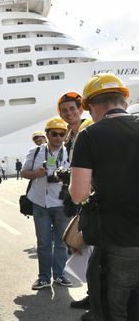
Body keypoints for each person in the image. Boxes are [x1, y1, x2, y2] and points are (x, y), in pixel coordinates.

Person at [71, 73, 139, 321]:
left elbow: (78, 195)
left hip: (116, 239)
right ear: (123, 99)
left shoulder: (89, 136)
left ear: (91, 106)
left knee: (113, 310)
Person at [21, 117, 72, 290]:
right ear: (47, 134)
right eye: (54, 134)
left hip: (62, 203)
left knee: (61, 243)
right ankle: (44, 277)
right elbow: (24, 172)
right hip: (40, 203)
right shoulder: (35, 152)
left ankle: (59, 275)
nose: (58, 137)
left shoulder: (69, 152)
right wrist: (37, 173)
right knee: (43, 243)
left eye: (62, 134)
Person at [57, 91, 85, 160]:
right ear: (61, 115)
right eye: (64, 110)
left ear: (80, 110)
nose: (69, 113)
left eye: (72, 108)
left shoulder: (91, 131)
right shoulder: (65, 141)